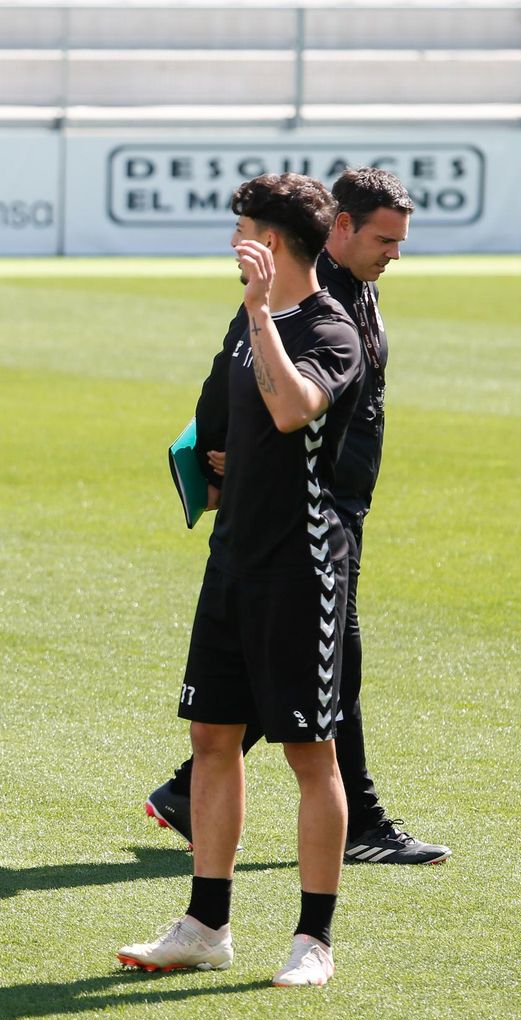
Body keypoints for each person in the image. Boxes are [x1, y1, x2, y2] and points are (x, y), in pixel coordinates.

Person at [144, 168, 449, 866]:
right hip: (309, 515)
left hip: (339, 506)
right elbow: (231, 375)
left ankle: (190, 790)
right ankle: (360, 824)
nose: (394, 253)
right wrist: (217, 459)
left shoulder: (355, 290)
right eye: (384, 239)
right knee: (333, 664)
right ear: (339, 228)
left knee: (304, 666)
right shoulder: (304, 303)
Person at [117, 173, 361, 986]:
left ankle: (313, 940)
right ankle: (206, 923)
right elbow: (219, 428)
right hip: (232, 563)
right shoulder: (238, 325)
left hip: (300, 571)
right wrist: (209, 471)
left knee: (308, 751)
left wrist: (263, 315)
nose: (233, 247)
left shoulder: (333, 328)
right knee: (211, 739)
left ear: (277, 243)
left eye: (245, 233)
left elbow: (294, 410)